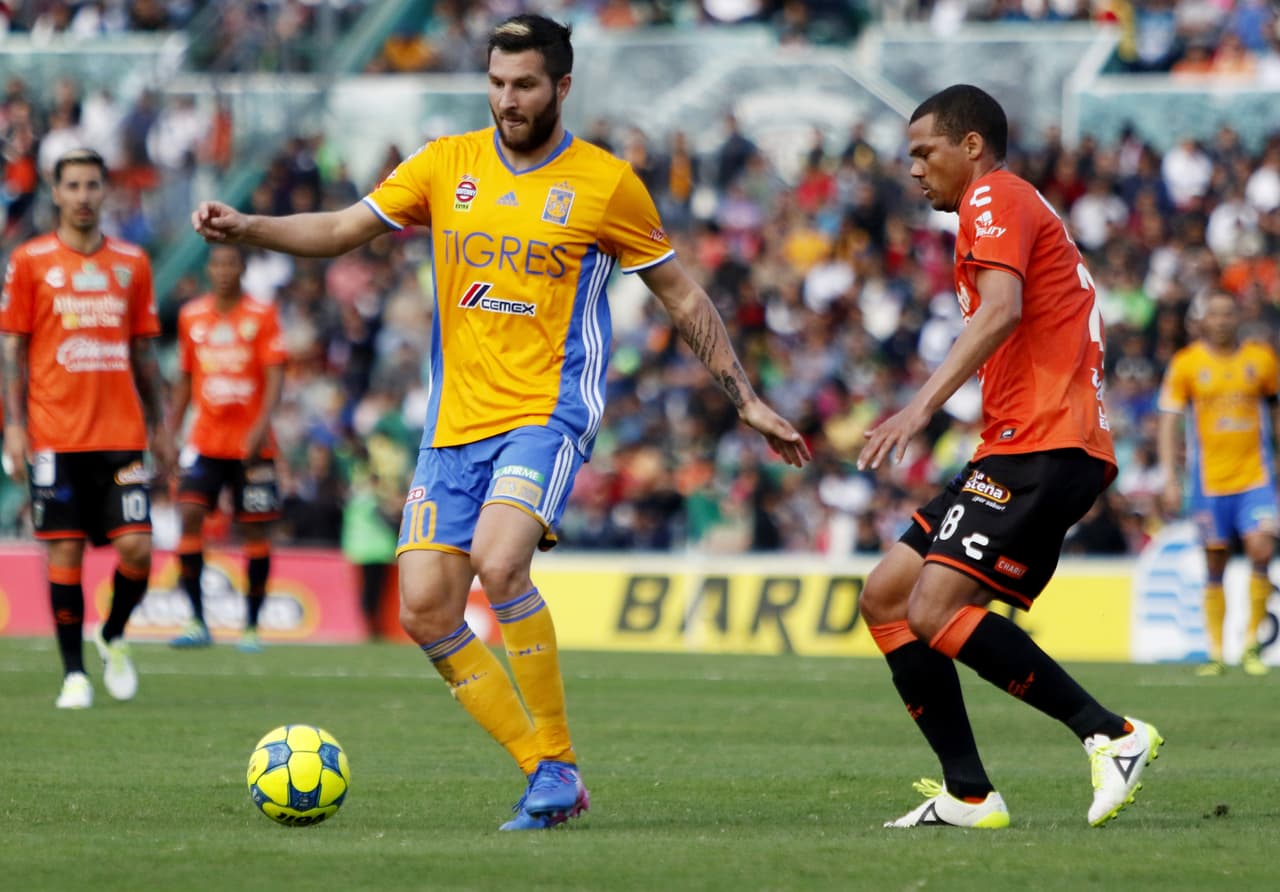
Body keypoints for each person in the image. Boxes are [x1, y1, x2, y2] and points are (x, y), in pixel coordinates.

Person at [192, 14, 810, 830]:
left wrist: (747, 400)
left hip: (547, 412)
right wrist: (252, 227)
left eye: (523, 86)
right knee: (424, 610)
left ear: (560, 86)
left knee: (499, 561)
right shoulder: (446, 165)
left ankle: (556, 761)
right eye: (495, 84)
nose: (506, 101)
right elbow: (342, 229)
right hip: (453, 426)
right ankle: (548, 772)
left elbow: (682, 295)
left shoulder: (605, 183)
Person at [854, 85, 1162, 829]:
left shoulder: (994, 195)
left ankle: (1111, 733)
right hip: (1021, 443)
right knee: (888, 598)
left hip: (1045, 442)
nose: (915, 170)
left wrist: (921, 406)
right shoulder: (999, 210)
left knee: (935, 607)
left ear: (971, 146)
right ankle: (969, 793)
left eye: (924, 153)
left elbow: (1002, 310)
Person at [1, 147, 173, 709]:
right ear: (55, 192)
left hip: (121, 434)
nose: (82, 196)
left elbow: (145, 354)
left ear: (105, 191)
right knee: (65, 555)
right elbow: (13, 350)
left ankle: (114, 632)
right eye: (72, 185)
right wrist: (14, 426)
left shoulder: (132, 263)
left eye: (92, 185)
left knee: (139, 550)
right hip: (54, 434)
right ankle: (74, 673)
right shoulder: (29, 262)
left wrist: (163, 425)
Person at [167, 244, 286, 653]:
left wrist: (260, 427)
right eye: (216, 263)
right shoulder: (191, 316)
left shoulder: (262, 315)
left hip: (251, 446)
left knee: (254, 528)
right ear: (208, 269)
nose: (222, 271)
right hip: (204, 441)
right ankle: (197, 619)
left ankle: (251, 626)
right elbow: (184, 377)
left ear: (243, 268)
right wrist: (169, 429)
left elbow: (275, 377)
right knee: (189, 515)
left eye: (230, 263)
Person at [1157, 291, 1276, 677]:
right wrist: (1169, 478)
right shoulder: (1187, 363)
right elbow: (1169, 421)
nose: (1222, 320)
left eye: (1229, 313)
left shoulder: (1261, 359)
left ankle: (1251, 647)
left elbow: (1276, 410)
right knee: (1215, 560)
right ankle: (1216, 652)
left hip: (1256, 477)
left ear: (1238, 317)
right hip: (1208, 481)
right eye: (1216, 314)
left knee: (1261, 549)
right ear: (1204, 320)